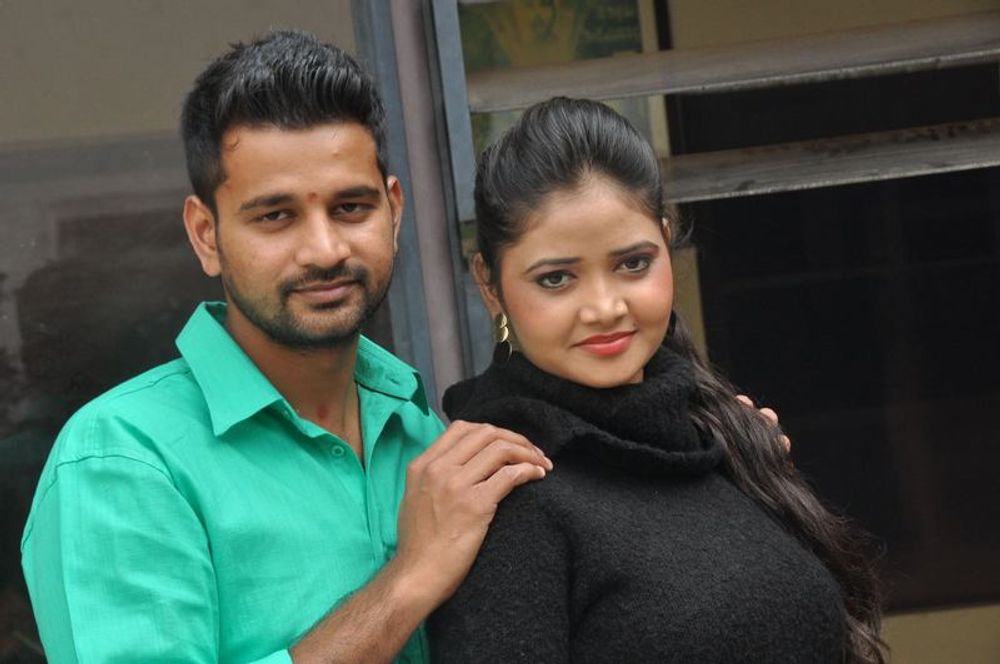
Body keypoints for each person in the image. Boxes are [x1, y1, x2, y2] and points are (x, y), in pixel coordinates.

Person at [19, 31, 554, 664]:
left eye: (350, 207)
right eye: (275, 216)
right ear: (206, 235)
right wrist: (408, 581)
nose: (324, 250)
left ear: (393, 210)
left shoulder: (424, 435)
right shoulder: (123, 459)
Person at [428, 98, 885, 663]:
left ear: (666, 245)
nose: (605, 308)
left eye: (632, 264)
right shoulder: (503, 489)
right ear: (490, 284)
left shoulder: (721, 438)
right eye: (556, 279)